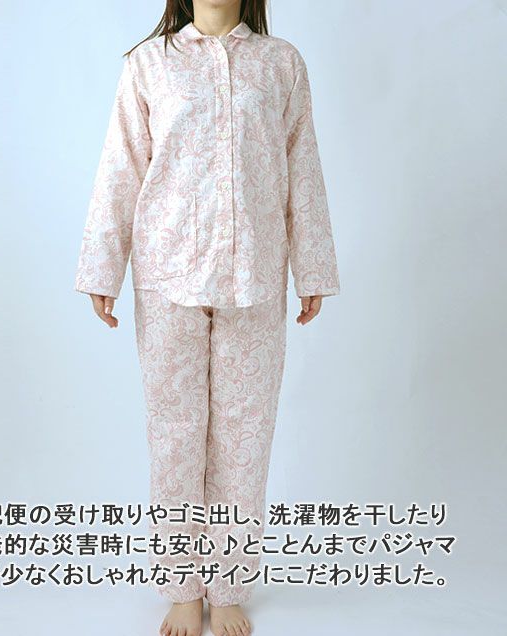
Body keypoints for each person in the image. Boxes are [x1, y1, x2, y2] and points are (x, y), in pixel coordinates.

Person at [74, 1, 340, 635]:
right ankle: (180, 585)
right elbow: (121, 167)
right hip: (168, 277)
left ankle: (229, 586)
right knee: (176, 436)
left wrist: (313, 267)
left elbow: (302, 167)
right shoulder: (148, 64)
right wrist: (102, 268)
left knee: (244, 438)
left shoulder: (281, 64)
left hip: (256, 277)